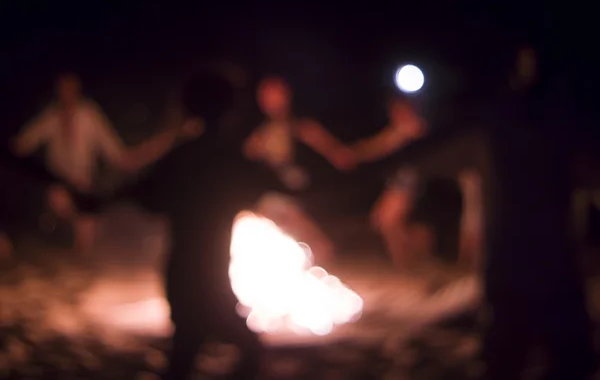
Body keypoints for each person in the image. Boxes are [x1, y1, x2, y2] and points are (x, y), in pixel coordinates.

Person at [388, 46, 597, 379]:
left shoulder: (497, 126)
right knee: (550, 357)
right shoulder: (559, 126)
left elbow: (419, 157)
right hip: (542, 263)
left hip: (520, 263)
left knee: (520, 357)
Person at [117, 92, 286, 379]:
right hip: (211, 276)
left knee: (186, 348)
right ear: (229, 110)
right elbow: (272, 183)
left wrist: (102, 199)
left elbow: (146, 196)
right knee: (245, 349)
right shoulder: (233, 157)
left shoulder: (181, 156)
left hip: (181, 273)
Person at [10, 73, 199, 255]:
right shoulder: (51, 116)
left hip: (81, 182)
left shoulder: (89, 115)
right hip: (57, 185)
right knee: (63, 208)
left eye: (71, 88)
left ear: (78, 90)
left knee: (85, 217)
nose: (67, 94)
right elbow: (24, 143)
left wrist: (168, 139)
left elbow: (119, 155)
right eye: (62, 89)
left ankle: (81, 254)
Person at [353, 95, 482, 268]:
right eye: (392, 111)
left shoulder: (414, 128)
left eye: (398, 110)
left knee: (386, 219)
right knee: (386, 220)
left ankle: (411, 264)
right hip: (416, 181)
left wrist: (354, 153)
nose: (394, 115)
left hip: (422, 181)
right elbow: (375, 146)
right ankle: (410, 263)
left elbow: (381, 145)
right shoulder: (403, 130)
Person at [243, 75, 354, 264]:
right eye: (266, 95)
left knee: (320, 247)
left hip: (307, 197)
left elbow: (342, 157)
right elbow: (243, 164)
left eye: (276, 94)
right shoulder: (261, 135)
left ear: (288, 96)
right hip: (277, 200)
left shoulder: (304, 129)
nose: (271, 100)